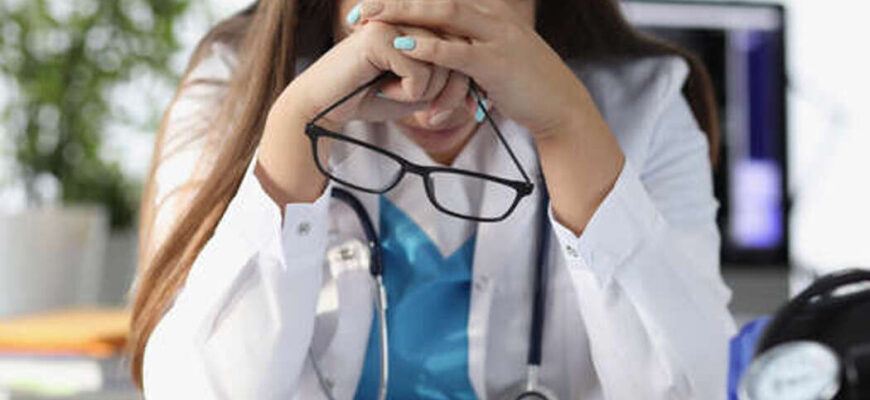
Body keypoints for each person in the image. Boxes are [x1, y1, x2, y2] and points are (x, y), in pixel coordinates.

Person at [130, 0, 737, 398]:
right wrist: (296, 137)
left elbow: (698, 390)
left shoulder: (646, 107)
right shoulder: (233, 93)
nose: (431, 87)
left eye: (470, 14)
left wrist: (570, 129)